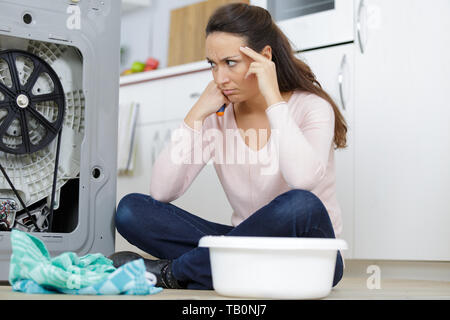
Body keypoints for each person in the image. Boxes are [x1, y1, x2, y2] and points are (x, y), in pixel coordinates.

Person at [110, 3, 348, 290]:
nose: (220, 78)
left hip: (313, 257)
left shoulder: (312, 108)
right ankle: (223, 268)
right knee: (130, 210)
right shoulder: (218, 116)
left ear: (264, 58)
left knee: (301, 204)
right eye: (213, 64)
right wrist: (196, 114)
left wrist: (274, 99)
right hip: (247, 244)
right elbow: (162, 191)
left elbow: (303, 180)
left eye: (230, 62)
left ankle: (176, 272)